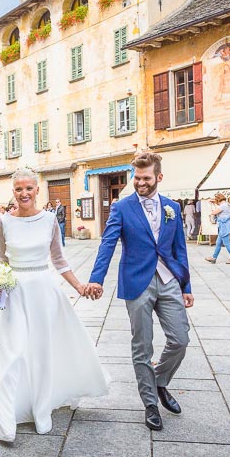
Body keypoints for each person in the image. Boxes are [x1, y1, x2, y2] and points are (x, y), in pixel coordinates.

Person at [0, 168, 108, 443]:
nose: (24, 194)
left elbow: (59, 260)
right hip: (15, 292)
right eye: (19, 189)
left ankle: (41, 411)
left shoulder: (49, 221)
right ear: (14, 192)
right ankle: (6, 418)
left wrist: (79, 286)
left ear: (37, 190)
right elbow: (2, 261)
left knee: (42, 352)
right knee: (13, 353)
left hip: (44, 290)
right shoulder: (3, 222)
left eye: (29, 188)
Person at [85, 152, 193, 432]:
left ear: (159, 177)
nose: (140, 183)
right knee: (142, 345)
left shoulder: (172, 207)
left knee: (180, 339)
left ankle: (159, 381)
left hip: (169, 279)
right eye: (137, 177)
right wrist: (97, 279)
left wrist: (185, 286)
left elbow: (179, 249)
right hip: (137, 282)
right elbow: (107, 244)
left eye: (146, 178)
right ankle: (150, 404)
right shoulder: (122, 208)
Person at [205, 193, 230, 265]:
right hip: (224, 226)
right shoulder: (227, 204)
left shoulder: (223, 206)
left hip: (224, 227)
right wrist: (214, 202)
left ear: (218, 200)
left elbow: (214, 212)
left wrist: (211, 206)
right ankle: (214, 258)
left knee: (227, 244)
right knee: (218, 243)